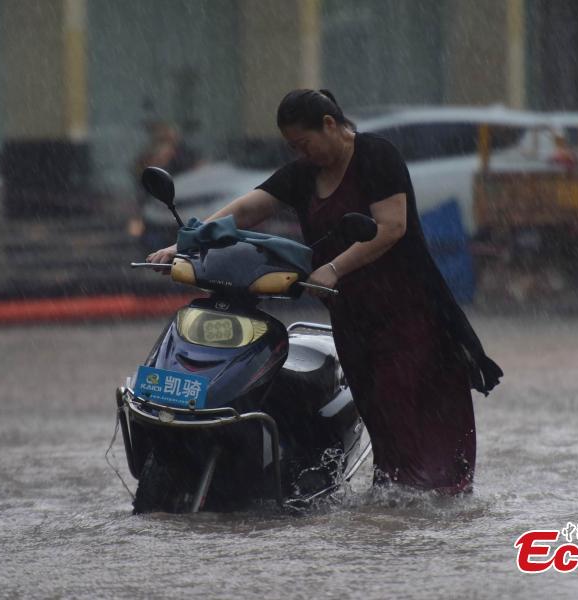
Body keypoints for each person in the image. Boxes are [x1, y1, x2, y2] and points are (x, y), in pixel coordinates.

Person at [147, 89, 502, 494]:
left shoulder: (376, 156)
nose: (301, 153)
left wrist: (334, 268)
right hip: (353, 316)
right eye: (293, 147)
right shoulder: (304, 174)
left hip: (408, 314)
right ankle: (390, 505)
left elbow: (392, 227)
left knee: (407, 410)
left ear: (330, 125)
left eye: (304, 142)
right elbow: (246, 209)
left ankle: (429, 504)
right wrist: (185, 245)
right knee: (379, 416)